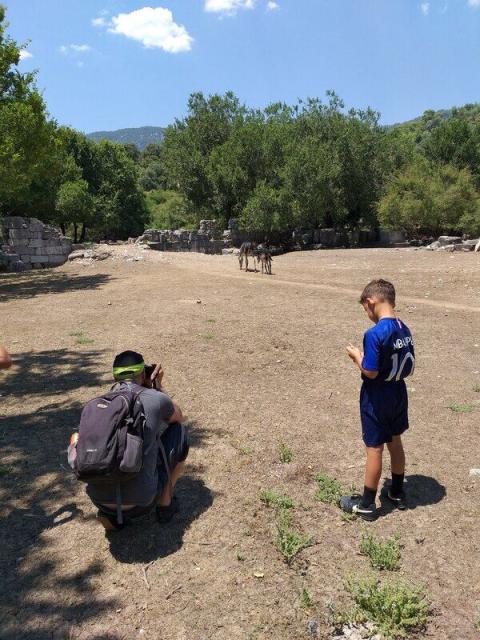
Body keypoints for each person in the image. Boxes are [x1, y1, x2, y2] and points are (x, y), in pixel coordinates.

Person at [86, 350, 189, 532]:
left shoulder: (96, 404)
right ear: (143, 373)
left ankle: (111, 515)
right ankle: (165, 505)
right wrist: (157, 386)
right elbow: (179, 417)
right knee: (179, 431)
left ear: (115, 376)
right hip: (142, 503)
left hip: (100, 501)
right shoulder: (155, 399)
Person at [340, 279, 415, 521]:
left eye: (365, 309)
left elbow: (370, 371)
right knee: (395, 440)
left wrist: (357, 357)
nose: (367, 315)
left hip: (377, 396)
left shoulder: (374, 334)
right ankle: (397, 491)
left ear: (371, 302)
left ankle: (367, 504)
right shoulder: (404, 328)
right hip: (398, 392)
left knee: (374, 448)